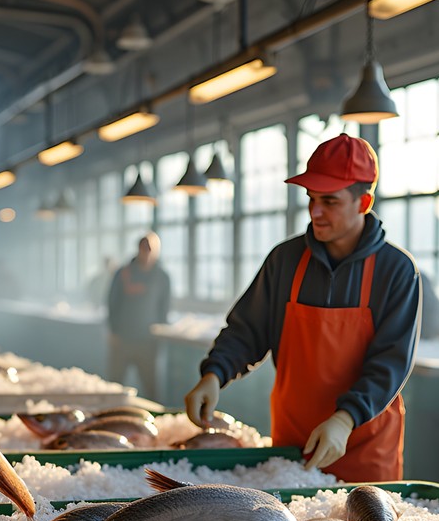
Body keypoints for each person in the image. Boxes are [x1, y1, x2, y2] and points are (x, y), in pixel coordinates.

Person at [184, 134, 422, 482]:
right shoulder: (286, 260)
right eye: (311, 198)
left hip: (365, 447)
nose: (315, 211)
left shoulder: (396, 270)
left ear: (364, 201)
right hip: (293, 446)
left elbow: (391, 361)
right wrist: (214, 374)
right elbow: (248, 330)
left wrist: (345, 418)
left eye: (329, 201)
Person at [107, 232, 171, 401]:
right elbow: (112, 303)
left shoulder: (162, 277)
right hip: (123, 339)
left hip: (148, 342)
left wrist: (160, 336)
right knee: (115, 385)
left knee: (151, 388)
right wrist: (113, 331)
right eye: (143, 248)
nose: (146, 252)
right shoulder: (123, 273)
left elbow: (164, 309)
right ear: (138, 249)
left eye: (150, 249)